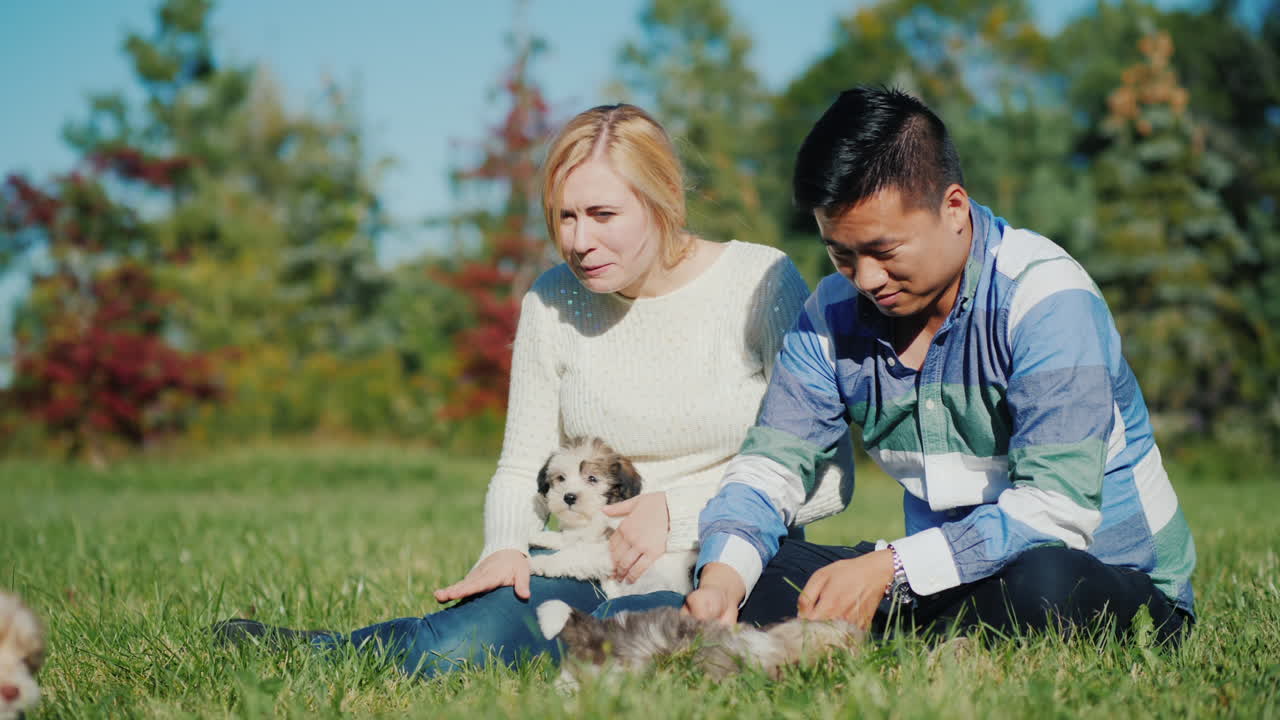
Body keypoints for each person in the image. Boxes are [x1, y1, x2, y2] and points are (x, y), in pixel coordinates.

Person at [214, 103, 849, 676]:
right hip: (580, 554)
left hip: (717, 565)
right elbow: (521, 464)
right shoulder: (552, 300)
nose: (578, 240)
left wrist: (682, 510)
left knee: (641, 646)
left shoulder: (759, 279)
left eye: (602, 215)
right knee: (454, 649)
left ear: (664, 201)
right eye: (564, 216)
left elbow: (829, 477)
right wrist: (505, 550)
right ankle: (306, 651)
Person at [683, 86, 1196, 647]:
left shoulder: (1046, 297)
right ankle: (934, 636)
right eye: (841, 254)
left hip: (1101, 575)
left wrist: (889, 569)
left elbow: (1056, 510)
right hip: (939, 581)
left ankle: (910, 634)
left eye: (883, 250)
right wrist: (722, 581)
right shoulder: (829, 315)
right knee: (758, 577)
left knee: (1044, 583)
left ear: (953, 209)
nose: (866, 278)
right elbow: (770, 466)